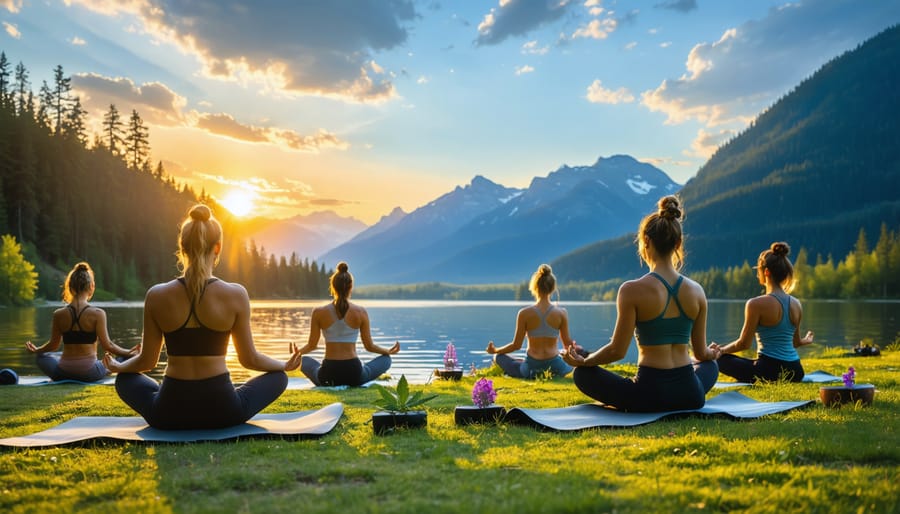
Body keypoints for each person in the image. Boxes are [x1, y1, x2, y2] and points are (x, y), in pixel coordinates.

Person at [103, 204, 302, 430]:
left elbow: (147, 362)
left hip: (169, 412)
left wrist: (119, 368)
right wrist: (284, 365)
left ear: (182, 247)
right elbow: (250, 360)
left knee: (126, 380)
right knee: (279, 377)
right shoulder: (236, 294)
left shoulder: (156, 295)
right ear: (217, 248)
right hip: (223, 411)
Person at [562, 195, 720, 412]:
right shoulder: (697, 291)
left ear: (646, 241)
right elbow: (702, 354)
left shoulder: (631, 290)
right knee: (710, 365)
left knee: (582, 375)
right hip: (691, 395)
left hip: (648, 395)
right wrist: (713, 354)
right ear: (678, 243)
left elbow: (617, 351)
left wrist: (584, 362)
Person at [712, 242, 814, 383]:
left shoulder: (755, 304)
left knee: (719, 360)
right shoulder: (797, 304)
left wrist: (720, 351)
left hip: (769, 371)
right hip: (796, 371)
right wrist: (806, 340)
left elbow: (744, 344)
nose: (757, 273)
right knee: (736, 359)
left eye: (758, 269)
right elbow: (795, 343)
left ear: (766, 272)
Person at [25, 262, 137, 382]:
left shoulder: (59, 314)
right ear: (91, 287)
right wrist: (129, 353)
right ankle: (113, 366)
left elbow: (53, 345)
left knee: (41, 357)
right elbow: (108, 346)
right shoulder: (98, 314)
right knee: (122, 357)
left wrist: (37, 350)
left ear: (70, 287)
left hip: (63, 372)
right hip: (89, 374)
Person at [297, 261, 399, 386]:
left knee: (302, 360)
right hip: (354, 373)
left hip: (328, 374)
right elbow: (369, 346)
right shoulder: (361, 312)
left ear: (333, 286)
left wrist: (296, 353)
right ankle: (362, 371)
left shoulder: (319, 312)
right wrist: (387, 351)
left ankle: (326, 379)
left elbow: (312, 345)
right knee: (386, 360)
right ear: (350, 287)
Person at [485, 264, 574, 379]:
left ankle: (524, 366)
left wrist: (495, 350)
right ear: (552, 288)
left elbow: (516, 345)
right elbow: (567, 344)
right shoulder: (562, 313)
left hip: (531, 367)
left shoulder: (524, 313)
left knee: (498, 357)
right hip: (557, 366)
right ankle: (549, 372)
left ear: (535, 287)